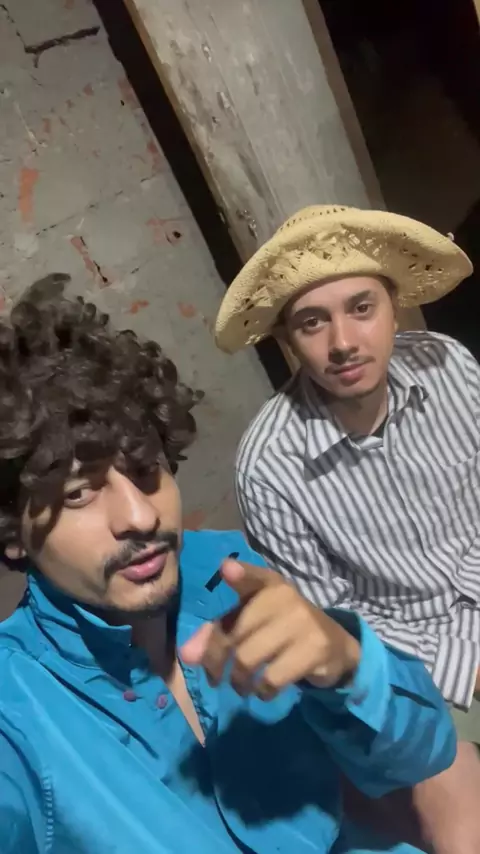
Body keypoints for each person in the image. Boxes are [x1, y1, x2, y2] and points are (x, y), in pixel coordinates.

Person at [0, 275, 454, 854]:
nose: (140, 515)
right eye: (78, 494)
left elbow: (423, 754)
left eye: (146, 470)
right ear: (14, 532)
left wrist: (347, 663)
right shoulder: (18, 711)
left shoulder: (227, 572)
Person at [214, 204, 480, 853]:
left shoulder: (449, 366)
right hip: (416, 672)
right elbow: (336, 623)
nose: (342, 342)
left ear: (394, 307)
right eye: (312, 321)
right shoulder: (269, 466)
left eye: (361, 308)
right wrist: (467, 665)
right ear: (287, 338)